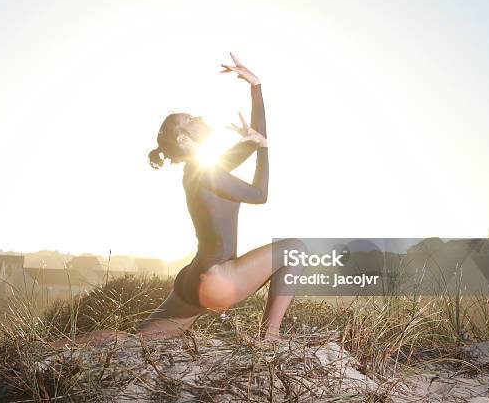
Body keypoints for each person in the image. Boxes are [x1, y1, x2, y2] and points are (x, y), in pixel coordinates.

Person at [49, 52, 306, 348]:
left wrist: (255, 87)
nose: (200, 118)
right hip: (217, 278)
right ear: (184, 139)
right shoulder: (206, 171)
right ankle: (270, 338)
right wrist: (262, 149)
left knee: (136, 341)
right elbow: (260, 194)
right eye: (191, 119)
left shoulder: (201, 169)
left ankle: (53, 348)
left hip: (192, 281)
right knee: (295, 249)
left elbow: (254, 138)